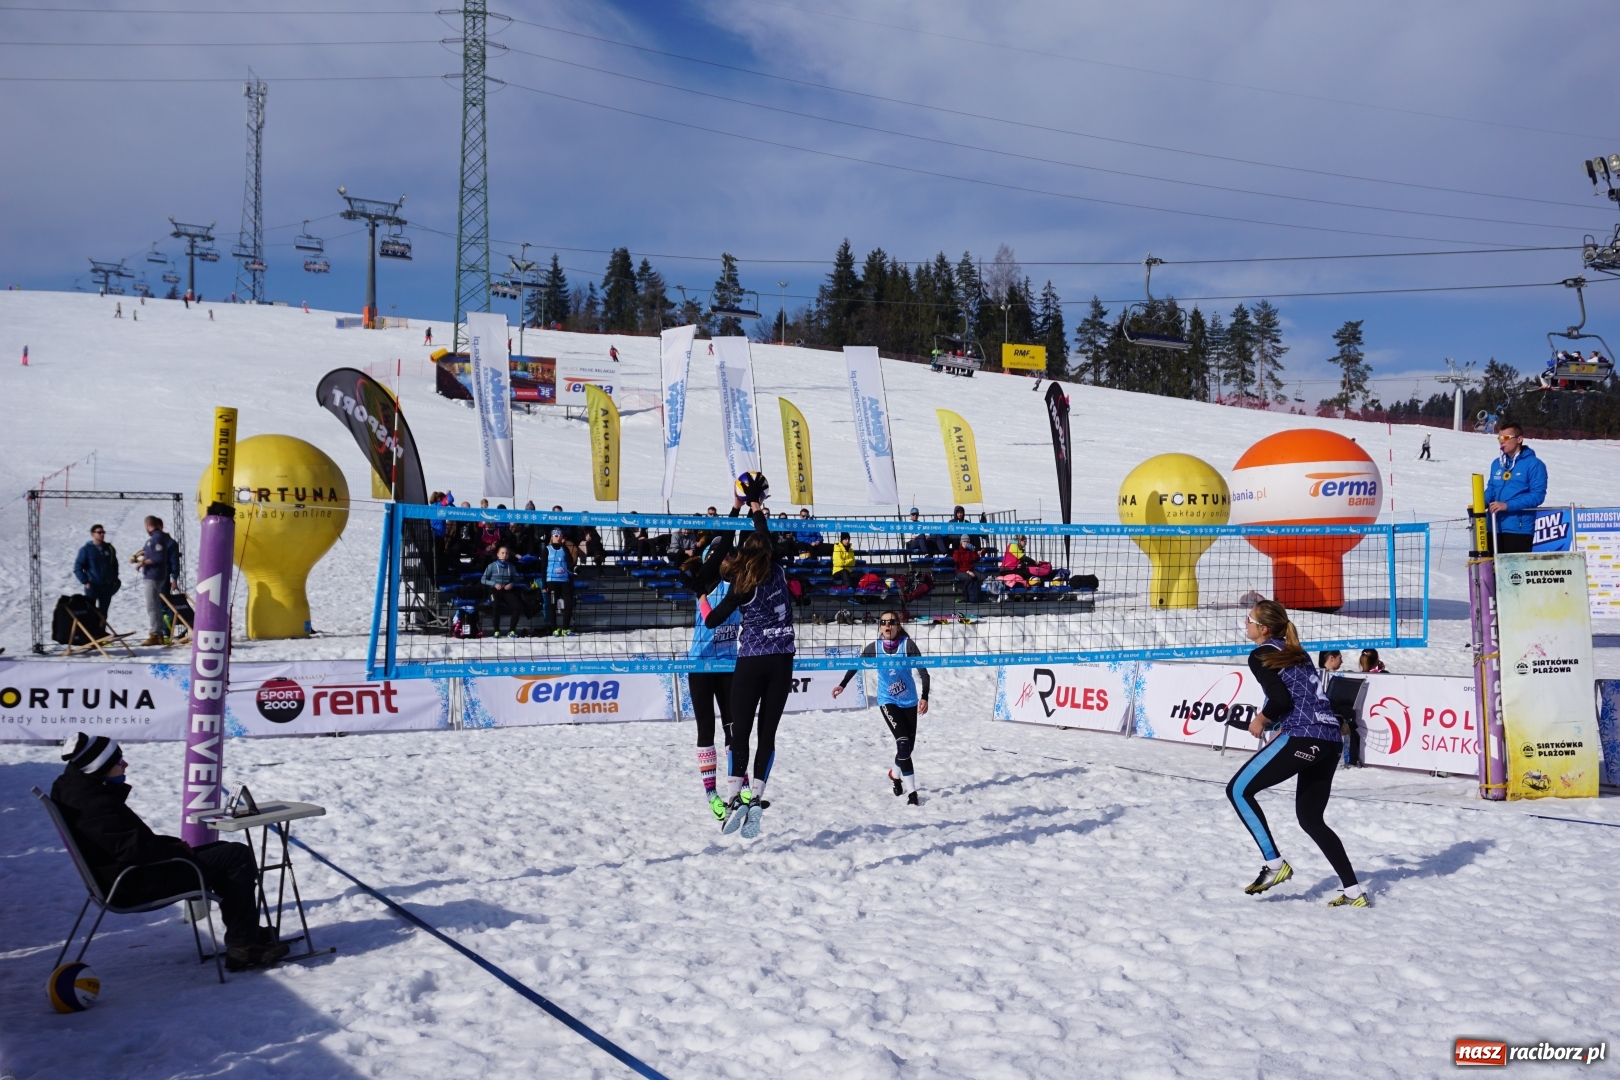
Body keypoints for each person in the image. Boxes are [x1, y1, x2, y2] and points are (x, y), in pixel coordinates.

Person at [50, 734, 289, 971]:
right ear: (99, 766)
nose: (125, 764)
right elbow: (135, 849)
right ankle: (243, 945)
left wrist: (172, 845)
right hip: (134, 882)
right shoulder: (94, 804)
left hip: (124, 873)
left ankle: (244, 931)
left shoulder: (74, 789)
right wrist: (173, 848)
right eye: (118, 760)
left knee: (222, 851)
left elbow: (126, 842)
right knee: (235, 856)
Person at [1225, 600, 1366, 907]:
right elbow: (1297, 698)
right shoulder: (1296, 652)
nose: (1244, 624)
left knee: (1237, 790)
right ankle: (1354, 892)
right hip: (1330, 740)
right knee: (1311, 818)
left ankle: (1274, 864)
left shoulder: (1261, 654)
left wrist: (1261, 720)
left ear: (1263, 629)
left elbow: (1280, 700)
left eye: (1247, 620)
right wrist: (1274, 719)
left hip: (1304, 735)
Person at [703, 476, 795, 837]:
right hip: (782, 660)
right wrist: (755, 504)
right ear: (768, 551)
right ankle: (756, 797)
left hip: (752, 661)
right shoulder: (780, 570)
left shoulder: (741, 586)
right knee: (767, 734)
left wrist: (701, 596)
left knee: (740, 732)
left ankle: (733, 798)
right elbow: (763, 533)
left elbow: (712, 621)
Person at [833, 610, 930, 805]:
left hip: (909, 701)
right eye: (884, 622)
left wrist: (924, 697)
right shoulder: (875, 648)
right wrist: (843, 684)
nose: (887, 625)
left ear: (898, 625)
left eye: (892, 622)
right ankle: (912, 793)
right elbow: (856, 665)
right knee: (902, 743)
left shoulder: (908, 645)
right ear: (880, 626)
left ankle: (894, 774)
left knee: (907, 749)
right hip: (887, 701)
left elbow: (924, 672)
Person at [683, 530, 741, 821]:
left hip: (729, 664)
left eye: (733, 552)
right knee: (706, 730)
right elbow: (718, 556)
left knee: (735, 729)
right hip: (701, 664)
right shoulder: (707, 580)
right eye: (724, 553)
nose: (730, 556)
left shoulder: (742, 586)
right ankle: (711, 794)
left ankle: (736, 790)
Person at [1483, 422, 1548, 554]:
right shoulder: (1497, 464)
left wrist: (1507, 505)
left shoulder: (1534, 464)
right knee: (1491, 572)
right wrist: (1480, 503)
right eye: (1499, 438)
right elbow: (1491, 490)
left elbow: (1537, 496)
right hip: (1493, 527)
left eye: (1506, 438)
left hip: (1518, 529)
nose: (1502, 442)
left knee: (1512, 573)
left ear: (1519, 439)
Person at [133, 516, 179, 646]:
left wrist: (143, 562)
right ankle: (158, 633)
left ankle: (156, 634)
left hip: (154, 576)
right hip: (154, 575)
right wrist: (138, 558)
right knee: (154, 606)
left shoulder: (158, 538)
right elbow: (148, 553)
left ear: (147, 525)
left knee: (153, 606)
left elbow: (159, 558)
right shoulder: (154, 538)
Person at [73, 524, 121, 621]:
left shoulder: (109, 548)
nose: (102, 534)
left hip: (107, 586)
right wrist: (85, 581)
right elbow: (78, 567)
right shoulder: (86, 550)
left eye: (103, 532)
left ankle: (102, 633)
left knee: (103, 614)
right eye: (99, 532)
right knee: (90, 612)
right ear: (92, 534)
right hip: (92, 586)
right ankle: (92, 634)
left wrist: (114, 579)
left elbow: (114, 565)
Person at [481, 545, 523, 637]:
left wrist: (511, 584)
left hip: (506, 590)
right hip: (494, 590)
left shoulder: (511, 567)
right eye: (502, 553)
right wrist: (494, 584)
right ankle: (496, 631)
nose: (504, 555)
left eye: (506, 553)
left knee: (517, 606)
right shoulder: (492, 566)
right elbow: (483, 579)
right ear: (498, 554)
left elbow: (516, 579)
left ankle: (511, 631)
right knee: (495, 606)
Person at [542, 529, 576, 636]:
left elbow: (570, 562)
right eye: (556, 535)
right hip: (552, 581)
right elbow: (543, 567)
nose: (558, 537)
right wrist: (544, 584)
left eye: (560, 535)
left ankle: (565, 628)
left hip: (564, 580)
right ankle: (554, 629)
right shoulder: (547, 549)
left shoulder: (564, 548)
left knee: (569, 604)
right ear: (552, 537)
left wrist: (564, 547)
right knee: (552, 605)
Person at [952, 538, 983, 603]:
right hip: (960, 571)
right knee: (969, 578)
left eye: (967, 542)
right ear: (961, 542)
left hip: (970, 570)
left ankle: (979, 597)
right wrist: (968, 572)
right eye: (964, 542)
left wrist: (974, 550)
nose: (966, 543)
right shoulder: (957, 551)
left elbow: (977, 558)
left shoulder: (970, 551)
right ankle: (970, 598)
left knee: (982, 577)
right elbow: (958, 565)